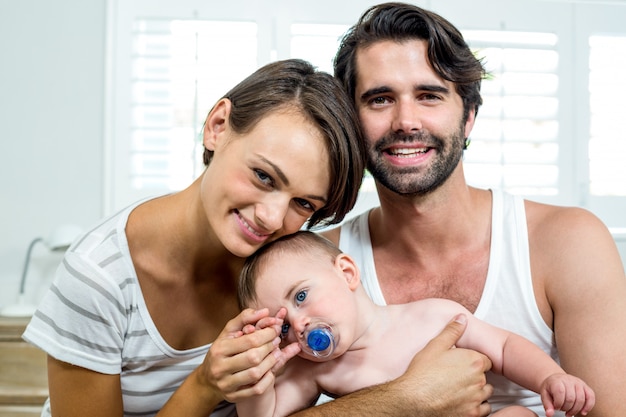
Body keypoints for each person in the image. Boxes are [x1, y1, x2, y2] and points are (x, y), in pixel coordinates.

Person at [319, 2, 626, 416]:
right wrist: (402, 402)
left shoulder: (567, 243)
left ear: (469, 118)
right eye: (379, 99)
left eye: (429, 95)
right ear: (350, 123)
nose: (406, 121)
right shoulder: (317, 264)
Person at [21, 58, 372, 417]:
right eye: (264, 177)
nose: (271, 217)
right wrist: (204, 385)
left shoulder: (291, 274)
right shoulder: (98, 278)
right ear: (217, 126)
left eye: (302, 203)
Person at [235, 231, 595, 417]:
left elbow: (502, 347)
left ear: (346, 273)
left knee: (516, 415)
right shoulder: (312, 371)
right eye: (282, 328)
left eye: (300, 297)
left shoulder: (431, 317)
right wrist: (256, 379)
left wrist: (550, 377)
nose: (298, 324)